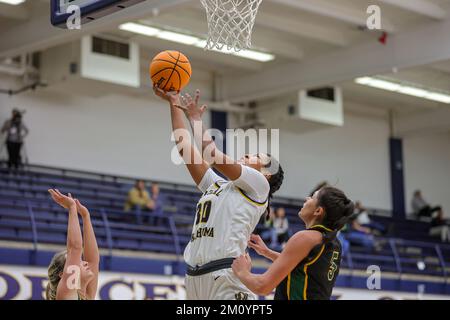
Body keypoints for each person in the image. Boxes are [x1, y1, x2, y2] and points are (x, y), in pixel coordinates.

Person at [153, 85, 284, 300]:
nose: (246, 155)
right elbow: (185, 147)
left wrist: (195, 118)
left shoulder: (260, 186)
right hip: (195, 277)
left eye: (254, 156)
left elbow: (211, 153)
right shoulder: (217, 185)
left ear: (267, 173)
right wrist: (174, 103)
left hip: (225, 275)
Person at [231, 187, 354, 300]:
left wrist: (243, 272)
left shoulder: (305, 238)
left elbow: (262, 287)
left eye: (312, 197)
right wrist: (267, 252)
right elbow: (302, 267)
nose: (307, 198)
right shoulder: (334, 242)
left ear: (318, 211)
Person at [46, 189, 99, 300]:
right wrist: (72, 208)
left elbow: (93, 260)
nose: (85, 262)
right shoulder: (67, 294)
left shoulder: (87, 296)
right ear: (63, 274)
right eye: (77, 261)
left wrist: (85, 217)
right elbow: (74, 249)